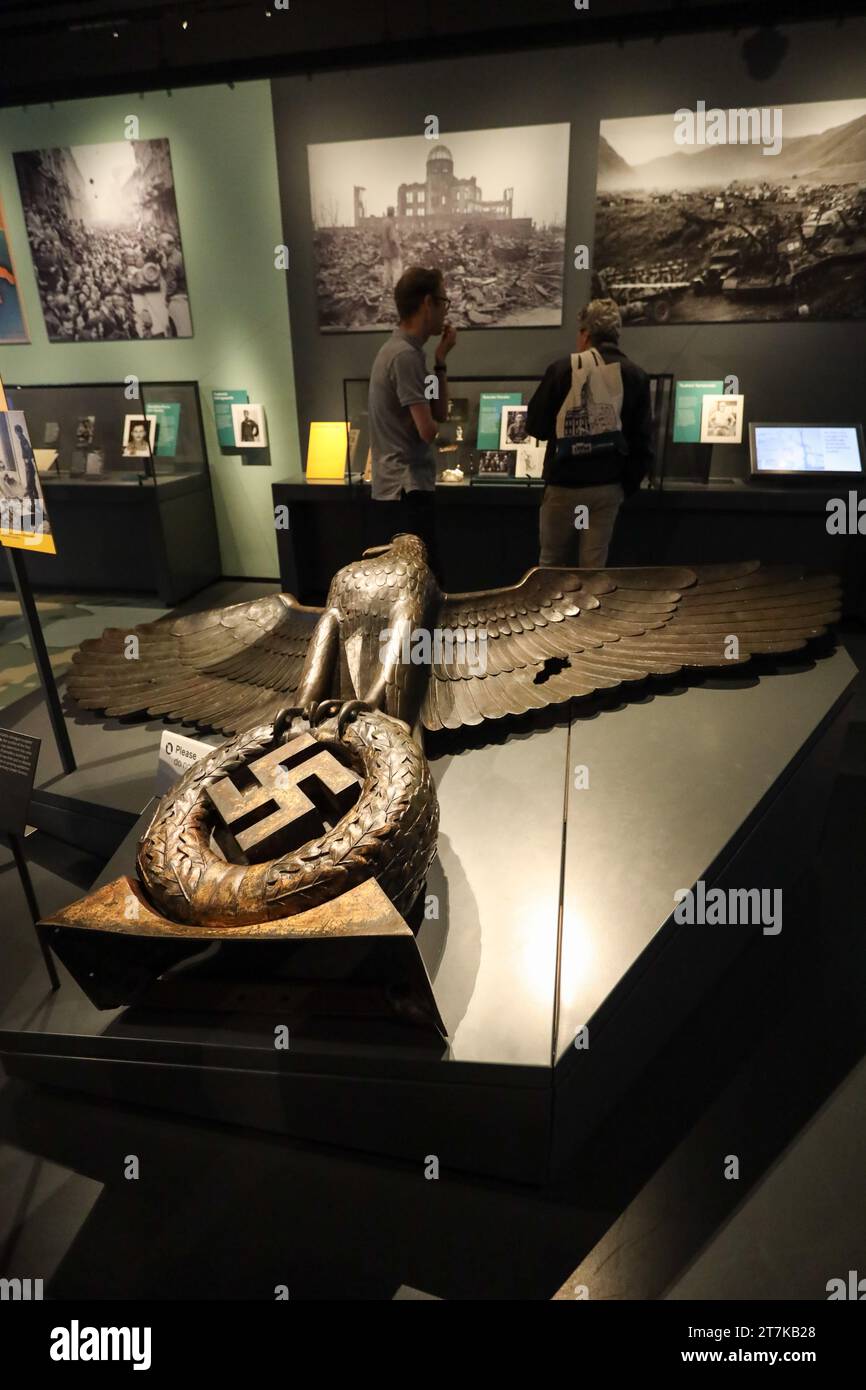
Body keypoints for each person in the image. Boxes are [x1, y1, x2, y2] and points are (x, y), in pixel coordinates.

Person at [527, 298, 653, 568]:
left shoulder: (562, 370)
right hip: (607, 487)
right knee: (593, 569)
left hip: (563, 485)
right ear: (616, 334)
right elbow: (642, 442)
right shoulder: (636, 375)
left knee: (550, 564)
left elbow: (535, 426)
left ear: (585, 334)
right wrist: (623, 487)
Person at [367, 265, 457, 577]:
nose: (445, 311)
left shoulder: (410, 353)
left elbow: (440, 413)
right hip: (405, 491)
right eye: (443, 302)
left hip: (402, 489)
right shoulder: (404, 356)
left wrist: (441, 361)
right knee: (419, 582)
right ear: (426, 303)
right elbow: (429, 429)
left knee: (414, 580)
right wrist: (442, 435)